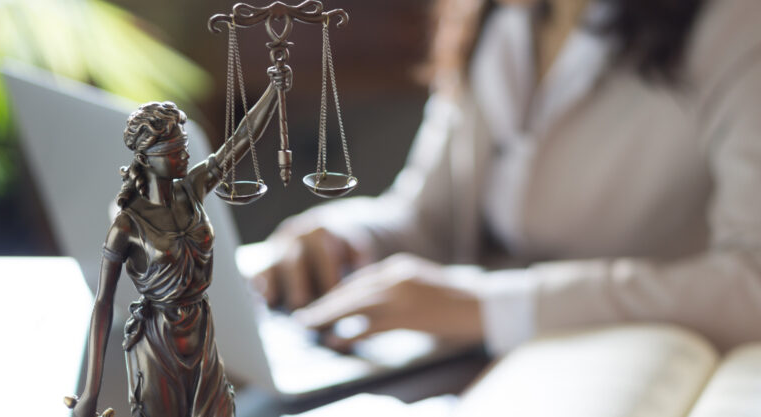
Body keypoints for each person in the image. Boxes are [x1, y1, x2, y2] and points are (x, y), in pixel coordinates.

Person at [255, 0, 761, 355]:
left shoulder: (735, 24)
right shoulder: (499, 18)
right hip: (482, 365)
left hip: (636, 363)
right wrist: (347, 233)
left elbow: (751, 282)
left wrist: (488, 307)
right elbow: (430, 215)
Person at [69, 72, 286, 417]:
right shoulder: (127, 226)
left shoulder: (193, 188)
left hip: (201, 331)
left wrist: (274, 89)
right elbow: (103, 305)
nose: (185, 156)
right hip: (157, 342)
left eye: (184, 147)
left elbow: (242, 137)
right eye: (174, 151)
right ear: (147, 157)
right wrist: (89, 395)